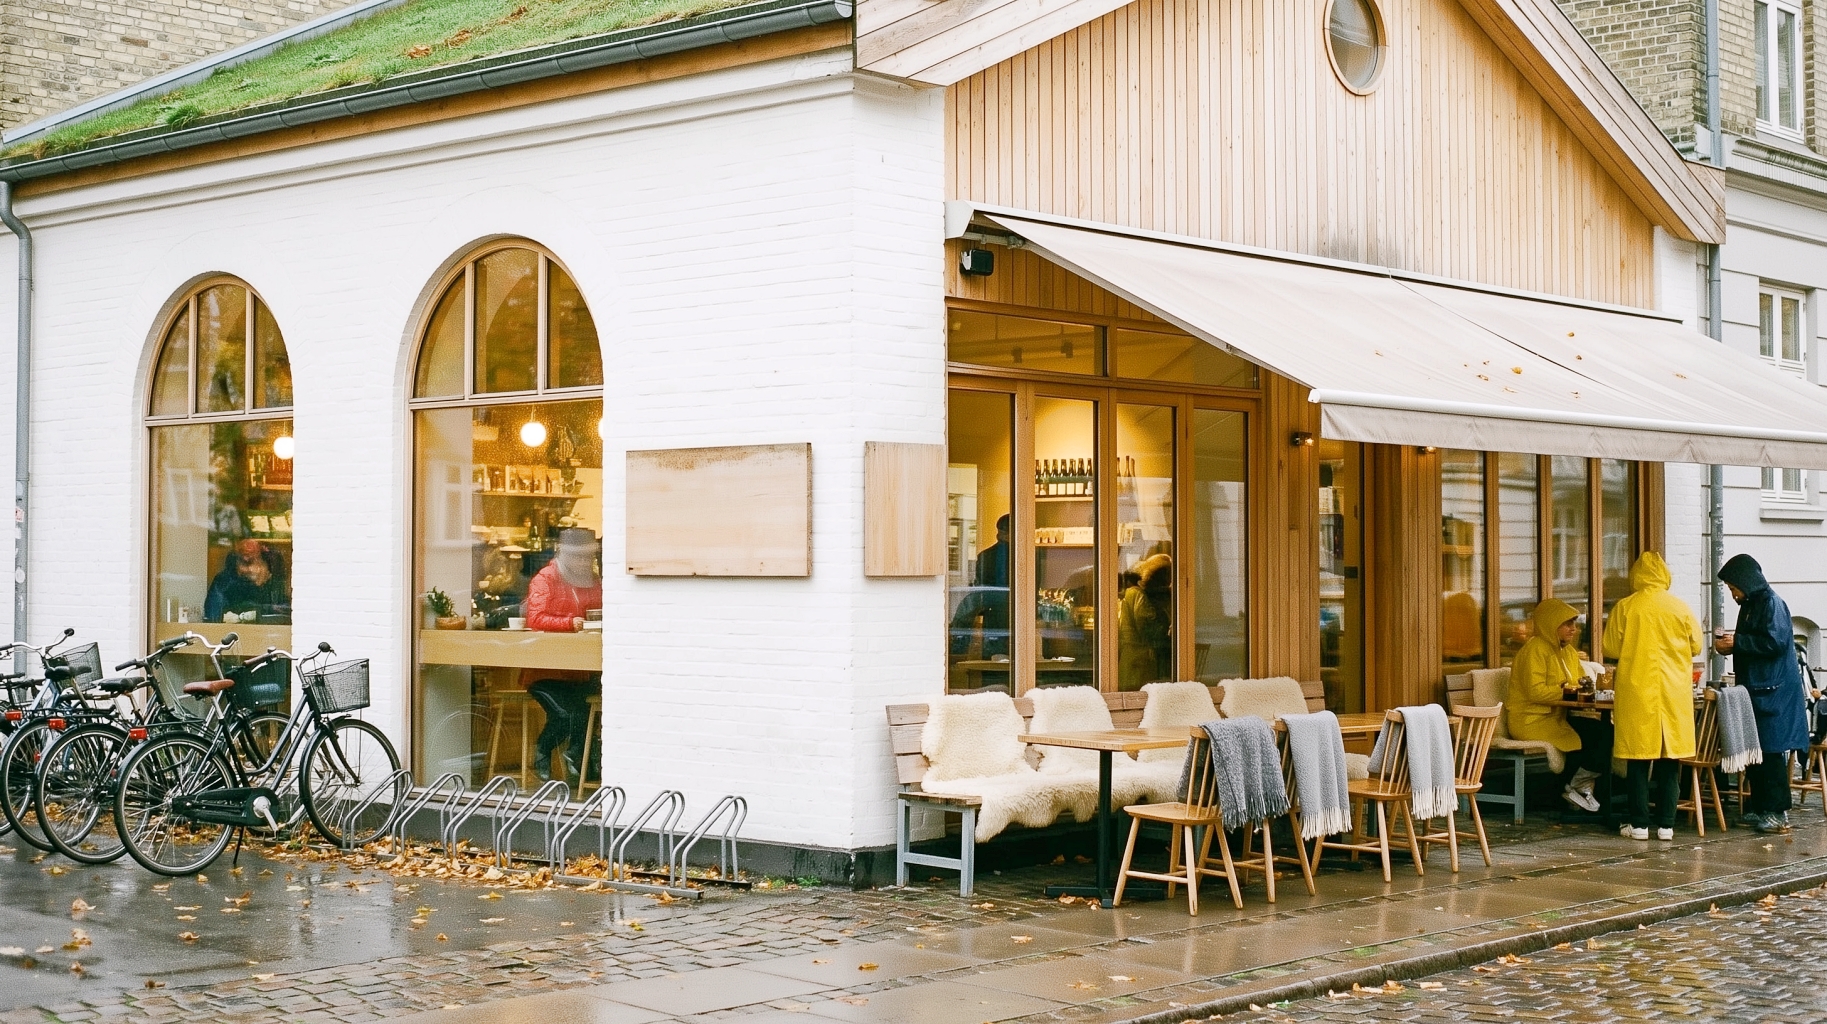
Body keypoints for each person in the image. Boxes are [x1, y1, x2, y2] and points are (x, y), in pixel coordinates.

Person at [1604, 551, 1703, 842]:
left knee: (1638, 759)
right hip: (1673, 691)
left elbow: (1611, 647)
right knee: (1669, 760)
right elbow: (1696, 646)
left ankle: (1639, 825)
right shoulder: (1680, 607)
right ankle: (1667, 825)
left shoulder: (1626, 607)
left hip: (1637, 690)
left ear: (1636, 576)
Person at [1716, 553, 1809, 835]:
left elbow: (1775, 642)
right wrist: (1734, 643)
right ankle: (1759, 807)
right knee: (1756, 751)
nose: (1733, 594)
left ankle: (1777, 813)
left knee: (1770, 751)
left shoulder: (1771, 604)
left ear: (1746, 582)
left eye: (1734, 588)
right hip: (1758, 688)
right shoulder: (1752, 604)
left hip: (1773, 692)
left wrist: (1737, 642)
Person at [1510, 598, 1613, 813]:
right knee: (1591, 735)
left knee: (1605, 731)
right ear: (1550, 624)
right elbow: (1536, 691)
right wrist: (1566, 690)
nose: (1573, 629)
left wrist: (1581, 687)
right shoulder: (1535, 650)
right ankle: (1574, 787)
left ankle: (1576, 786)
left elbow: (1579, 681)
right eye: (1567, 624)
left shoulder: (1568, 651)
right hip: (1532, 719)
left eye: (1574, 623)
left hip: (1557, 717)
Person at [521, 529, 603, 784]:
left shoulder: (592, 580)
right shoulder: (545, 578)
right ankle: (542, 753)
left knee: (593, 710)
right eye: (578, 557)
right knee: (567, 715)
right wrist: (569, 623)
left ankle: (579, 756)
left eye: (588, 557)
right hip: (545, 669)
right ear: (563, 554)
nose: (584, 562)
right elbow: (535, 618)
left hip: (580, 668)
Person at [948, 514, 1011, 660]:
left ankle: (959, 649)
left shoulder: (987, 555)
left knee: (993, 649)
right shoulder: (1026, 555)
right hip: (1000, 608)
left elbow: (981, 586)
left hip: (995, 609)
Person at [1118, 554, 1172, 690]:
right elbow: (1148, 630)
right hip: (1139, 660)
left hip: (1133, 658)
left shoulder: (1134, 594)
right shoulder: (1138, 595)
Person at [204, 539, 290, 623]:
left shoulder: (276, 586)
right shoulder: (225, 584)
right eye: (243, 563)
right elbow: (214, 619)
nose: (248, 570)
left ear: (268, 567)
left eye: (251, 562)